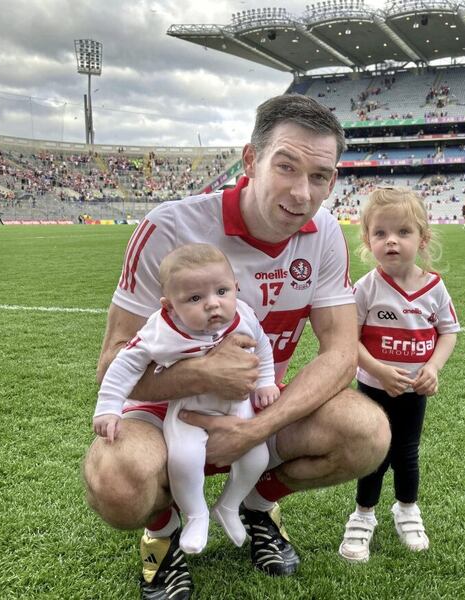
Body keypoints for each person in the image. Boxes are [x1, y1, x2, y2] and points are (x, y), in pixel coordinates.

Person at [82, 94, 391, 600]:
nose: (301, 192)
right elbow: (112, 361)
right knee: (115, 480)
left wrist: (255, 429)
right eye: (286, 167)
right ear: (250, 161)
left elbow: (340, 353)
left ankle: (255, 504)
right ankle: (162, 534)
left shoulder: (326, 233)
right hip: (162, 414)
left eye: (320, 176)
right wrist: (203, 374)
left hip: (255, 404)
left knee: (368, 432)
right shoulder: (170, 228)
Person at [93, 243, 279, 556]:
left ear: (236, 288)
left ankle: (229, 506)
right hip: (188, 410)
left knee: (256, 457)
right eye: (194, 298)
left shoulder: (244, 314)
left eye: (221, 291)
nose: (212, 305)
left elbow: (262, 345)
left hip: (237, 405)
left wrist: (265, 381)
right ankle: (196, 515)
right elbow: (124, 364)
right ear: (169, 306)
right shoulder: (161, 329)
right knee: (184, 459)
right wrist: (109, 407)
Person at [338, 188, 459, 563]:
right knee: (373, 454)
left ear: (422, 239)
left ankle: (406, 509)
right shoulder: (365, 288)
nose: (391, 240)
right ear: (367, 240)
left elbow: (448, 332)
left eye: (403, 232)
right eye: (381, 233)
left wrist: (433, 368)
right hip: (374, 388)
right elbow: (349, 339)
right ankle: (363, 514)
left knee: (407, 453)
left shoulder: (434, 287)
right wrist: (376, 369)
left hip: (413, 391)